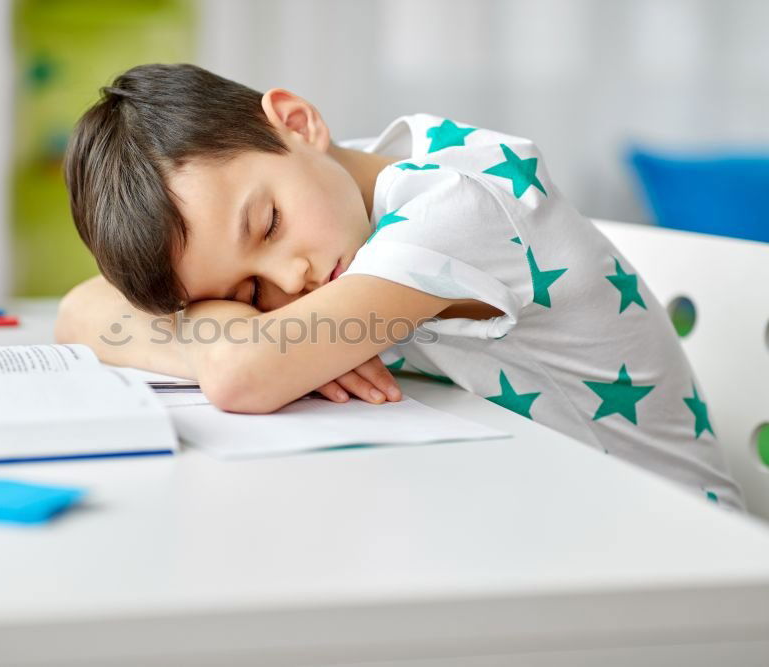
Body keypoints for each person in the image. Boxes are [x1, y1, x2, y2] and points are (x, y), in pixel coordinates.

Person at [56, 63, 744, 511]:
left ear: (297, 123)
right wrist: (229, 328)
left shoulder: (455, 209)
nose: (288, 282)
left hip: (678, 555)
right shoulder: (337, 182)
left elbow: (243, 378)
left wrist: (235, 339)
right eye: (242, 292)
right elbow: (78, 309)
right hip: (543, 511)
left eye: (267, 226)